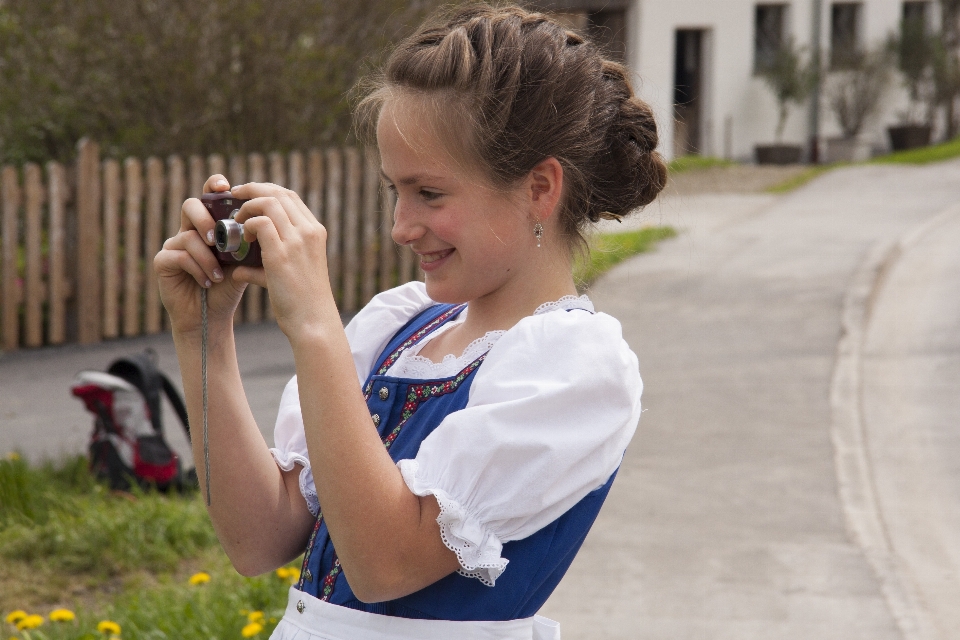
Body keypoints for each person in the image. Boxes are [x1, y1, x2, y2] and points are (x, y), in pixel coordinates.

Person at [155, 4, 666, 639]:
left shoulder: (577, 365)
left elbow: (383, 564)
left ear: (539, 188)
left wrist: (315, 325)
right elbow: (258, 541)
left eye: (429, 193)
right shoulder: (402, 328)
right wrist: (204, 336)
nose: (401, 226)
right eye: (393, 191)